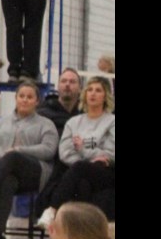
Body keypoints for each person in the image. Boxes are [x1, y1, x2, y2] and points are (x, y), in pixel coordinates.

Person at [0, 81, 58, 239]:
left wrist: (20, 151)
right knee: (6, 180)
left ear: (37, 101)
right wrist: (0, 162)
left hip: (34, 172)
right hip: (2, 174)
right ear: (15, 98)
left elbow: (49, 149)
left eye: (29, 97)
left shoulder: (46, 124)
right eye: (21, 96)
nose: (25, 100)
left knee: (12, 156)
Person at [37, 78, 115, 227]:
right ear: (84, 94)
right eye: (90, 90)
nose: (93, 94)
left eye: (98, 90)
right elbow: (65, 152)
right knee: (82, 181)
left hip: (106, 171)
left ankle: (52, 210)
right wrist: (92, 154)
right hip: (78, 169)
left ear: (105, 96)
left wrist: (83, 148)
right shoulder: (73, 122)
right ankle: (81, 231)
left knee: (81, 168)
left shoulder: (112, 121)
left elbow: (110, 153)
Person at [37, 68, 82, 136]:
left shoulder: (86, 115)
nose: (67, 84)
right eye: (63, 81)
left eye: (72, 81)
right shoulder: (42, 115)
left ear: (80, 88)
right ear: (58, 86)